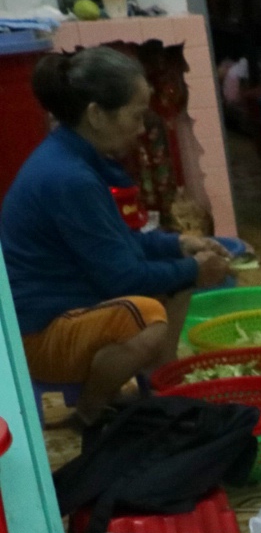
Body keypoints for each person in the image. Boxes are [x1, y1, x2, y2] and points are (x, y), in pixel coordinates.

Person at [1, 47, 231, 424]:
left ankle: (160, 383)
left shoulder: (74, 159)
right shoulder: (71, 178)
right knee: (146, 320)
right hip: (37, 332)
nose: (142, 129)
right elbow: (121, 275)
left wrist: (178, 244)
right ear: (96, 115)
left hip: (68, 300)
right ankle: (91, 412)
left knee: (178, 272)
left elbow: (119, 244)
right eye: (136, 115)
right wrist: (194, 269)